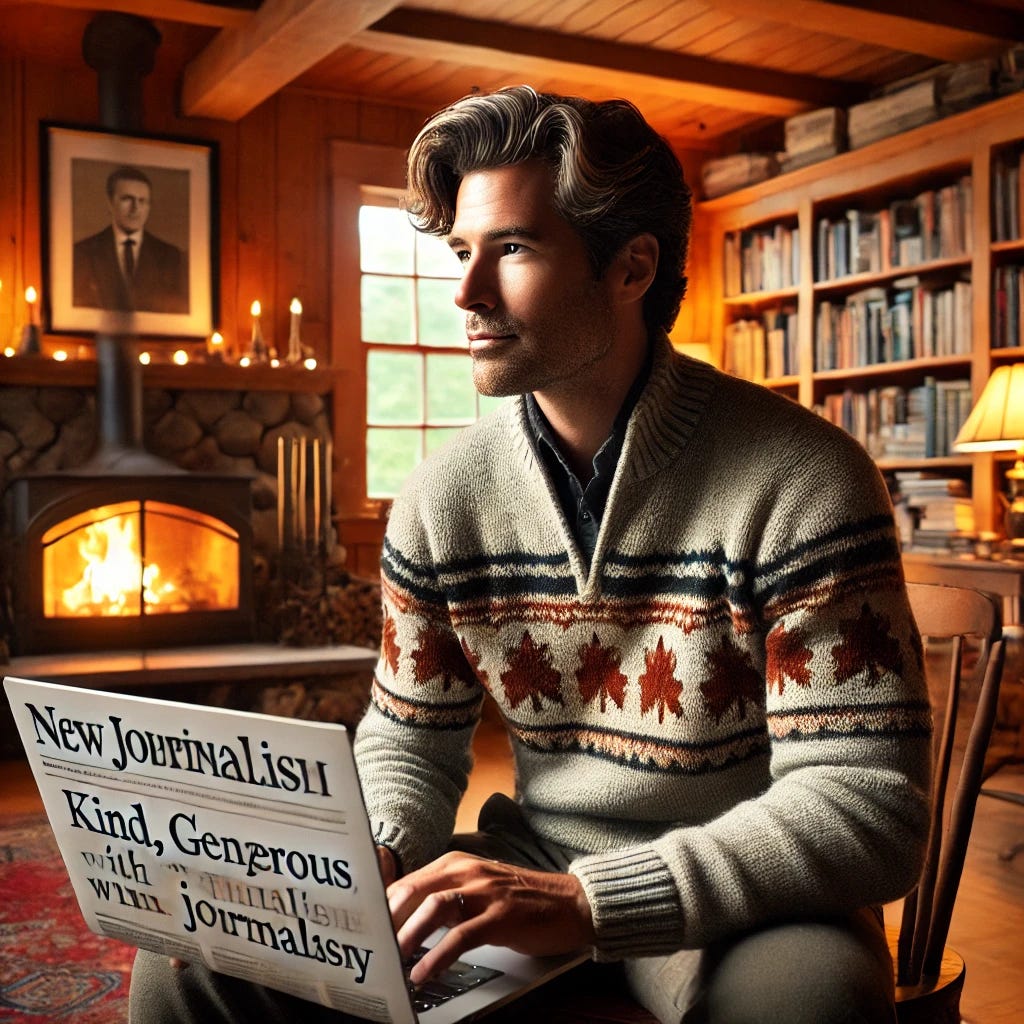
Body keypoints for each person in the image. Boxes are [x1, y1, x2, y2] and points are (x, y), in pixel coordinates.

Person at [130, 86, 933, 1023]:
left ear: (632, 268)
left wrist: (595, 904)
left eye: (511, 250)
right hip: (535, 859)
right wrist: (376, 852)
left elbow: (868, 805)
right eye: (461, 253)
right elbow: (410, 741)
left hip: (743, 893)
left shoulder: (804, 480)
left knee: (812, 1007)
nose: (467, 294)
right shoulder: (439, 500)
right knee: (190, 967)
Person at [73, 165, 189, 314]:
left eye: (142, 201)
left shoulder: (170, 255)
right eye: (127, 199)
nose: (135, 208)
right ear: (110, 203)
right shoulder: (83, 252)